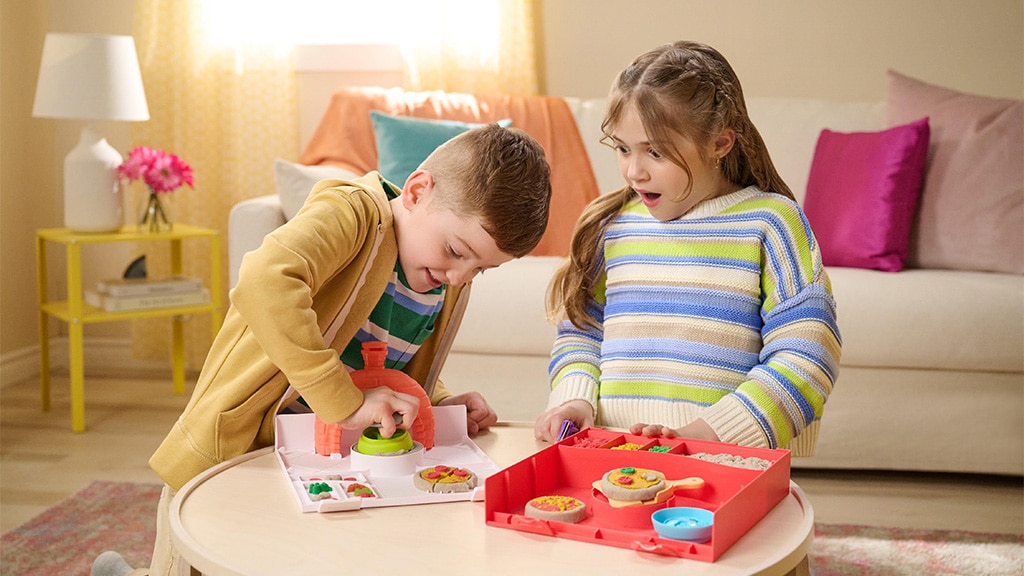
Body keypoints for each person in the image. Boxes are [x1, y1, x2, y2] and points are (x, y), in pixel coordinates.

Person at [93, 123, 552, 576]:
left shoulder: (440, 282)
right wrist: (344, 403)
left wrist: (436, 402)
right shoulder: (351, 212)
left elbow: (387, 359)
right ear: (416, 192)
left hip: (311, 459)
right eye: (456, 250)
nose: (460, 276)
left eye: (480, 270)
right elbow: (264, 281)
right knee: (191, 563)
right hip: (238, 446)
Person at [534, 41, 841, 456]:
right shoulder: (613, 225)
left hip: (724, 461)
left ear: (720, 144)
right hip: (612, 459)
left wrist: (709, 434)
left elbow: (809, 353)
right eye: (623, 148)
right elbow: (582, 331)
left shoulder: (770, 223)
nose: (634, 171)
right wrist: (574, 398)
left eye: (656, 152)